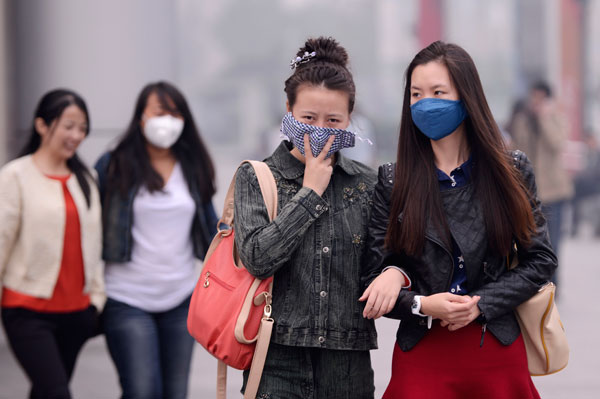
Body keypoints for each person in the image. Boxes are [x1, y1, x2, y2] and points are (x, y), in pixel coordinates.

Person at [360, 41, 557, 398]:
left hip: (494, 345)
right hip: (423, 352)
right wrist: (422, 304)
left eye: (438, 92)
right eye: (416, 94)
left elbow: (541, 259)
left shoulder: (510, 171)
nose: (425, 104)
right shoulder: (394, 180)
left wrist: (481, 303)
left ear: (466, 98)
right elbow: (373, 276)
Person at [234, 37, 377, 398]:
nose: (320, 129)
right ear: (288, 110)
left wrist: (394, 273)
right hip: (275, 359)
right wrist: (310, 192)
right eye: (308, 118)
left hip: (347, 366)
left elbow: (384, 262)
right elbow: (257, 258)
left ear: (349, 120)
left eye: (333, 120)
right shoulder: (258, 177)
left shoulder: (367, 184)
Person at [94, 81, 218, 399]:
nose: (168, 120)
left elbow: (211, 231)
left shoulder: (192, 166)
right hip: (127, 299)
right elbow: (90, 228)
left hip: (179, 298)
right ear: (141, 118)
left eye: (176, 113)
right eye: (160, 112)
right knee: (142, 391)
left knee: (175, 393)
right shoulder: (114, 166)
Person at [0, 89, 105, 399]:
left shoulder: (87, 177)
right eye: (68, 125)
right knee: (57, 392)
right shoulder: (15, 176)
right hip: (27, 310)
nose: (76, 135)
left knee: (46, 392)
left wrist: (95, 300)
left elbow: (95, 243)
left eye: (83, 127)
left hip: (76, 313)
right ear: (42, 125)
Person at [508, 81, 573, 263]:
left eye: (540, 98)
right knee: (530, 243)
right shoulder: (523, 119)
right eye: (533, 97)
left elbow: (557, 143)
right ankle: (538, 286)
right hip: (529, 192)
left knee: (554, 243)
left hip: (554, 192)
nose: (535, 102)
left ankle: (554, 287)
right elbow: (517, 148)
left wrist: (544, 119)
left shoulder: (556, 118)